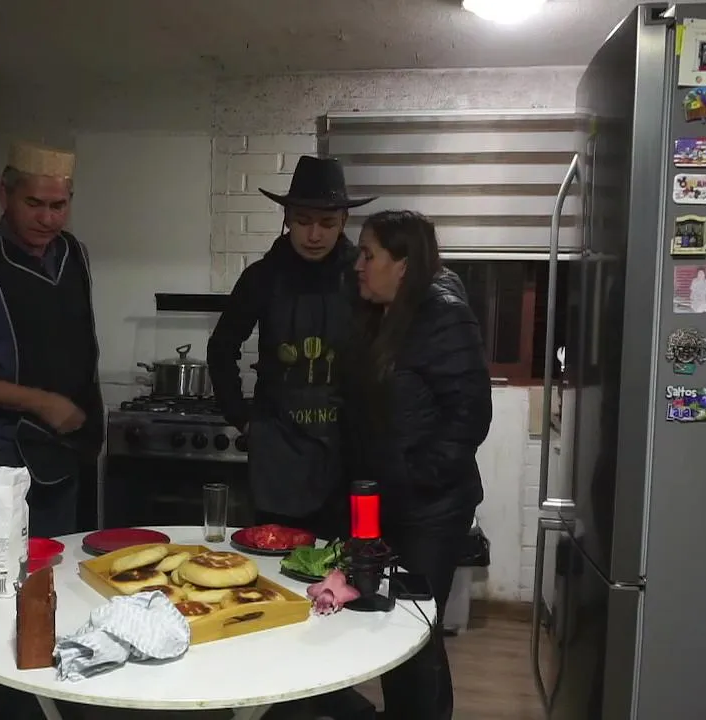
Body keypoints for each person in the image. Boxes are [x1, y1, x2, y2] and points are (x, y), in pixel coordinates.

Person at [0, 140, 103, 720]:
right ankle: (10, 706)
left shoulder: (74, 254)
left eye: (59, 205)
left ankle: (56, 695)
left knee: (55, 584)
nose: (48, 219)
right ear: (5, 195)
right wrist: (40, 401)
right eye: (34, 204)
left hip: (63, 449)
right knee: (4, 588)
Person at [343, 210, 493, 720]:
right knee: (393, 629)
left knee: (415, 631)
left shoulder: (443, 315)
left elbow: (470, 416)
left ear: (403, 264)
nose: (358, 265)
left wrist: (413, 477)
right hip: (385, 502)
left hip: (430, 510)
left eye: (369, 255)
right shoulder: (378, 314)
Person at [206, 155, 376, 542]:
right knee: (274, 559)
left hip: (346, 453)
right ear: (287, 218)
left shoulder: (361, 277)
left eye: (327, 223)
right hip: (278, 451)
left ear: (344, 221)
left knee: (339, 565)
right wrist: (242, 417)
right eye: (303, 221)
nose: (314, 234)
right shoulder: (263, 277)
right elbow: (221, 348)